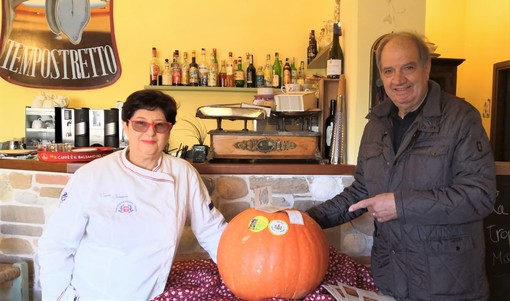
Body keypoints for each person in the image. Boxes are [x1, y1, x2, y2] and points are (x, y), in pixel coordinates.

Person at [306, 32, 497, 300]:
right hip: (392, 278)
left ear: (426, 67)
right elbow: (361, 190)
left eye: (408, 67)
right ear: (381, 77)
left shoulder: (461, 119)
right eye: (388, 71)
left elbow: (479, 196)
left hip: (448, 284)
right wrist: (306, 220)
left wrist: (401, 205)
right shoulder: (376, 125)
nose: (398, 80)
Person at [38, 89, 227, 300]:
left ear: (169, 130)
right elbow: (56, 244)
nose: (150, 133)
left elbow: (212, 231)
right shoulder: (92, 175)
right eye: (140, 123)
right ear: (126, 126)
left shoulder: (183, 173)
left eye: (160, 125)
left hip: (153, 293)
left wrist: (243, 268)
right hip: (96, 293)